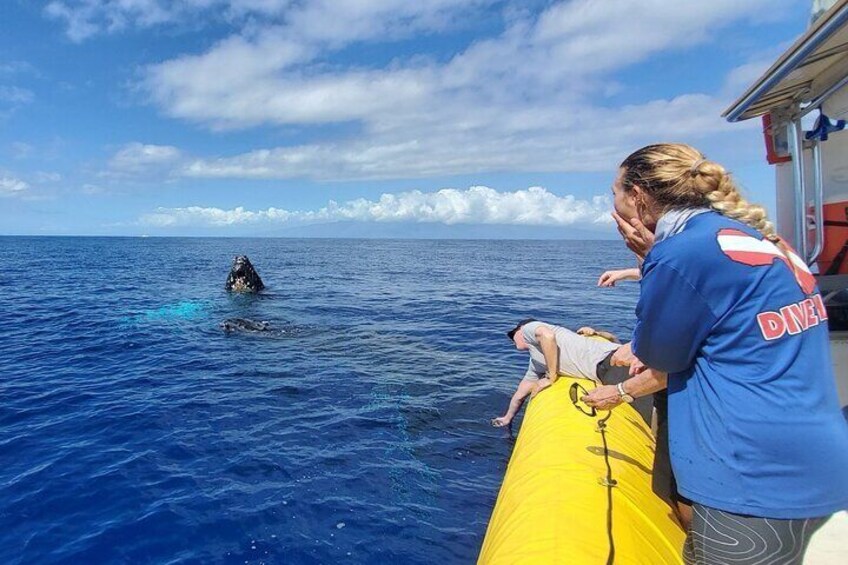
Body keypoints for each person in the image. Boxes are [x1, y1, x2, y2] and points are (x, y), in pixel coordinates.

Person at [592, 142, 848, 564]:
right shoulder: (762, 239)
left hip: (752, 476)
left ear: (637, 196)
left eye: (615, 192)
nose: (614, 204)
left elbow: (660, 356)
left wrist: (651, 259)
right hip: (818, 462)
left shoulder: (680, 252)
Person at [492, 319, 653, 427]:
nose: (513, 341)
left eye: (513, 335)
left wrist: (552, 376)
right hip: (604, 372)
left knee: (654, 411)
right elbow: (520, 393)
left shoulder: (529, 328)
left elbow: (547, 335)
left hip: (611, 362)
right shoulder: (537, 362)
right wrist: (507, 418)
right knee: (653, 415)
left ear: (520, 329)